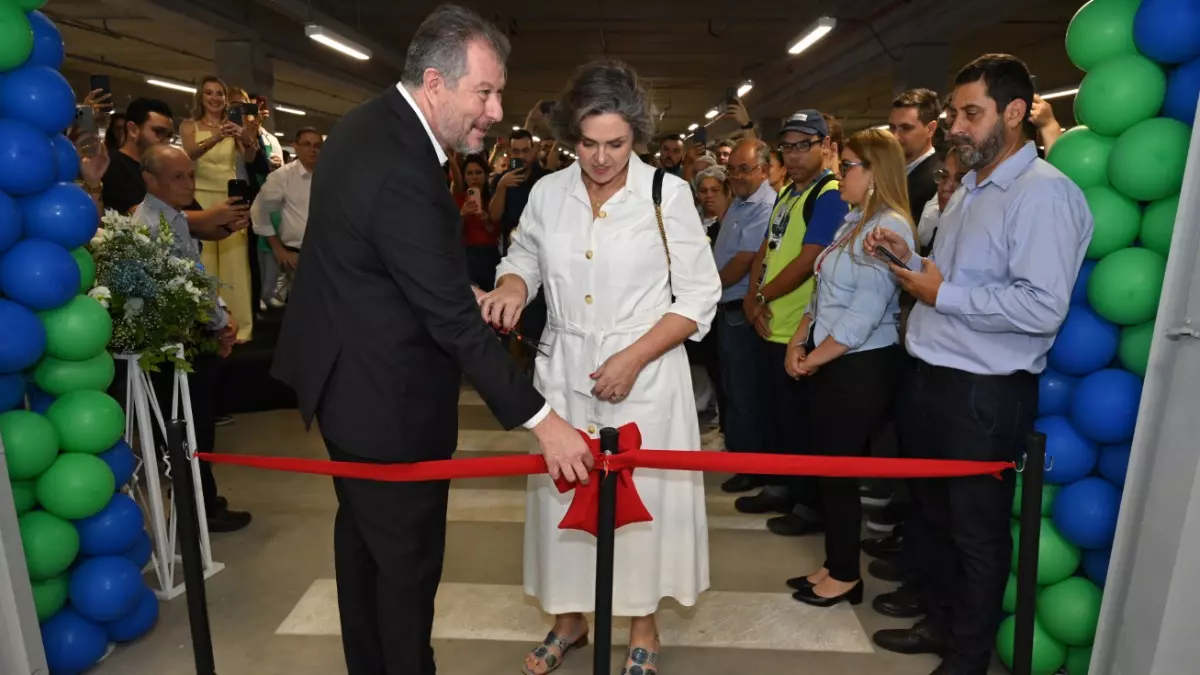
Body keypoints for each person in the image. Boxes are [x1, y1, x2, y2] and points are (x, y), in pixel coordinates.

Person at [271, 6, 592, 675]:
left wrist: (447, 288)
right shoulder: (404, 168)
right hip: (386, 403)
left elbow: (373, 260)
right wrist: (545, 421)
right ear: (437, 83)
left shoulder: (366, 125)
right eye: (486, 91)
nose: (498, 110)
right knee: (407, 566)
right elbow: (450, 325)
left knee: (365, 551)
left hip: (346, 381)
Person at [482, 59, 721, 675]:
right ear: (571, 138)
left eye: (616, 144)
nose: (601, 158)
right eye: (588, 144)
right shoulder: (546, 191)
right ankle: (569, 621)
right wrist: (512, 285)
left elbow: (699, 297)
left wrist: (635, 356)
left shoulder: (667, 194)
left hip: (645, 375)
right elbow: (525, 254)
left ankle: (644, 626)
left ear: (635, 136)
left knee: (642, 510)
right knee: (565, 500)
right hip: (563, 369)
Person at [868, 54, 1092, 675]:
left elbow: (1041, 306)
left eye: (971, 113)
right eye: (954, 113)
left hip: (983, 392)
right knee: (935, 517)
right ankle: (940, 624)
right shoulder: (969, 187)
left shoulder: (1043, 197)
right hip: (934, 377)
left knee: (976, 533)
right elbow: (957, 275)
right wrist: (907, 254)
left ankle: (967, 658)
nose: (956, 127)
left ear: (1015, 113)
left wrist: (941, 295)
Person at [782, 129, 914, 607]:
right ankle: (835, 564)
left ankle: (845, 576)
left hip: (860, 366)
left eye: (850, 166)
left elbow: (861, 316)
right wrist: (799, 341)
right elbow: (824, 294)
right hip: (833, 358)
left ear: (876, 173)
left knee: (838, 470)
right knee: (828, 468)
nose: (841, 173)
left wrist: (812, 359)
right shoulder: (854, 221)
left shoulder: (889, 230)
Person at [130, 144, 251, 532]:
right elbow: (187, 286)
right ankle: (196, 510)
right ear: (150, 180)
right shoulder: (153, 225)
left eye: (190, 175)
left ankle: (202, 501)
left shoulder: (172, 217)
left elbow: (195, 274)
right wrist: (219, 321)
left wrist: (220, 317)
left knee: (195, 427)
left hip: (184, 337)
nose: (188, 183)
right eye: (177, 177)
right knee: (188, 430)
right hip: (173, 345)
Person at [180, 76, 259, 342]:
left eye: (220, 94)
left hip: (229, 197)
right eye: (209, 93)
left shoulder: (234, 124)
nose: (215, 98)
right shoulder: (189, 126)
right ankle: (207, 327)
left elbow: (250, 156)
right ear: (200, 98)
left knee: (236, 264)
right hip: (200, 198)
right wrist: (216, 137)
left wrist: (245, 137)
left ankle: (240, 327)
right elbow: (189, 153)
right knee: (205, 264)